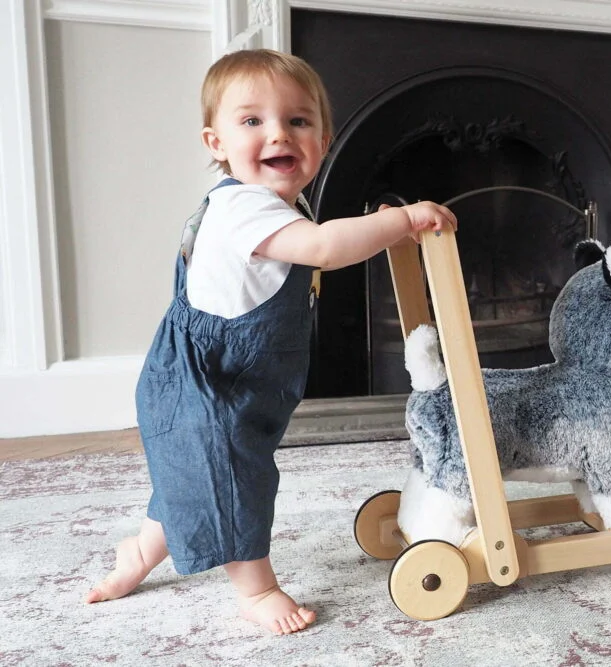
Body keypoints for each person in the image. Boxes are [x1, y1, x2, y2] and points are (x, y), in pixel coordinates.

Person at [84, 48, 457, 636]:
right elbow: (327, 249)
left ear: (324, 140)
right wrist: (404, 221)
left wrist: (381, 225)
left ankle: (140, 552)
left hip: (238, 375)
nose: (278, 133)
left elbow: (328, 238)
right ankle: (256, 591)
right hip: (208, 380)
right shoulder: (244, 209)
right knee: (234, 482)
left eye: (298, 121)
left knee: (197, 474)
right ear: (216, 143)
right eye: (252, 121)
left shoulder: (280, 205)